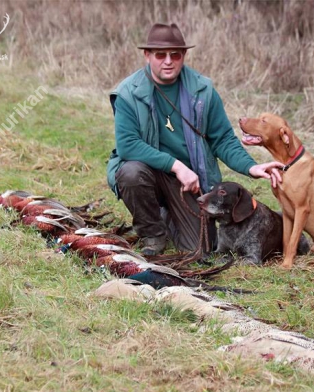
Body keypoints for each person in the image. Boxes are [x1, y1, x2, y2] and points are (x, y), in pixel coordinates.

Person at [107, 23, 283, 255]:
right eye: (160, 54)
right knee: (130, 173)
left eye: (175, 55)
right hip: (148, 172)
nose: (168, 61)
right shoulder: (128, 93)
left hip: (190, 182)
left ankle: (168, 214)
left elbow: (222, 139)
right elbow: (127, 145)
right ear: (147, 55)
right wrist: (176, 165)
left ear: (184, 55)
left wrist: (251, 167)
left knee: (200, 250)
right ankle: (153, 234)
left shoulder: (203, 90)